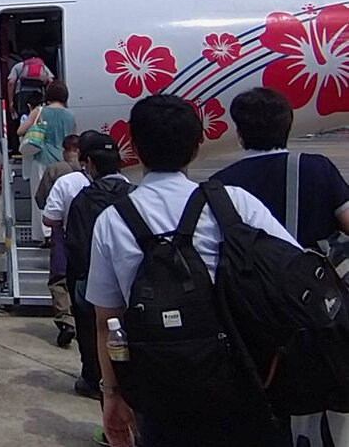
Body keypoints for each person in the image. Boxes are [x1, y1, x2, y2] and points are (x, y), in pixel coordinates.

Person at [87, 94, 299, 447]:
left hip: (161, 396)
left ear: (134, 148)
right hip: (244, 386)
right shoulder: (235, 202)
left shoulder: (112, 220)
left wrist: (112, 394)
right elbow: (294, 275)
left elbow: (106, 322)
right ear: (197, 146)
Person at [212, 87, 349, 447]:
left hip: (253, 316)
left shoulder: (222, 184)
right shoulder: (316, 168)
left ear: (239, 132)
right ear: (289, 126)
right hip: (313, 312)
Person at [59, 131, 133, 406]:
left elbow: (75, 246)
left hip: (92, 281)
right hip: (132, 282)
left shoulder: (84, 200)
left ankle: (93, 378)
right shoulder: (133, 194)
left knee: (91, 331)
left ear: (89, 163)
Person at [38, 134, 84, 348]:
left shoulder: (55, 170)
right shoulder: (90, 172)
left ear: (65, 149)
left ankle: (66, 321)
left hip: (62, 232)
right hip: (88, 233)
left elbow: (41, 199)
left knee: (59, 278)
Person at [18, 81, 75, 239]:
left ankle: (45, 235)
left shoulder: (39, 111)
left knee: (42, 197)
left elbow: (20, 130)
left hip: (42, 159)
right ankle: (61, 232)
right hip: (63, 162)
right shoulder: (70, 115)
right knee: (62, 198)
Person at [8, 50, 54, 122]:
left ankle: (24, 130)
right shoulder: (42, 66)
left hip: (22, 94)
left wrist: (11, 101)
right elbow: (51, 81)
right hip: (38, 93)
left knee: (24, 116)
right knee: (37, 115)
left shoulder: (18, 66)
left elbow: (11, 82)